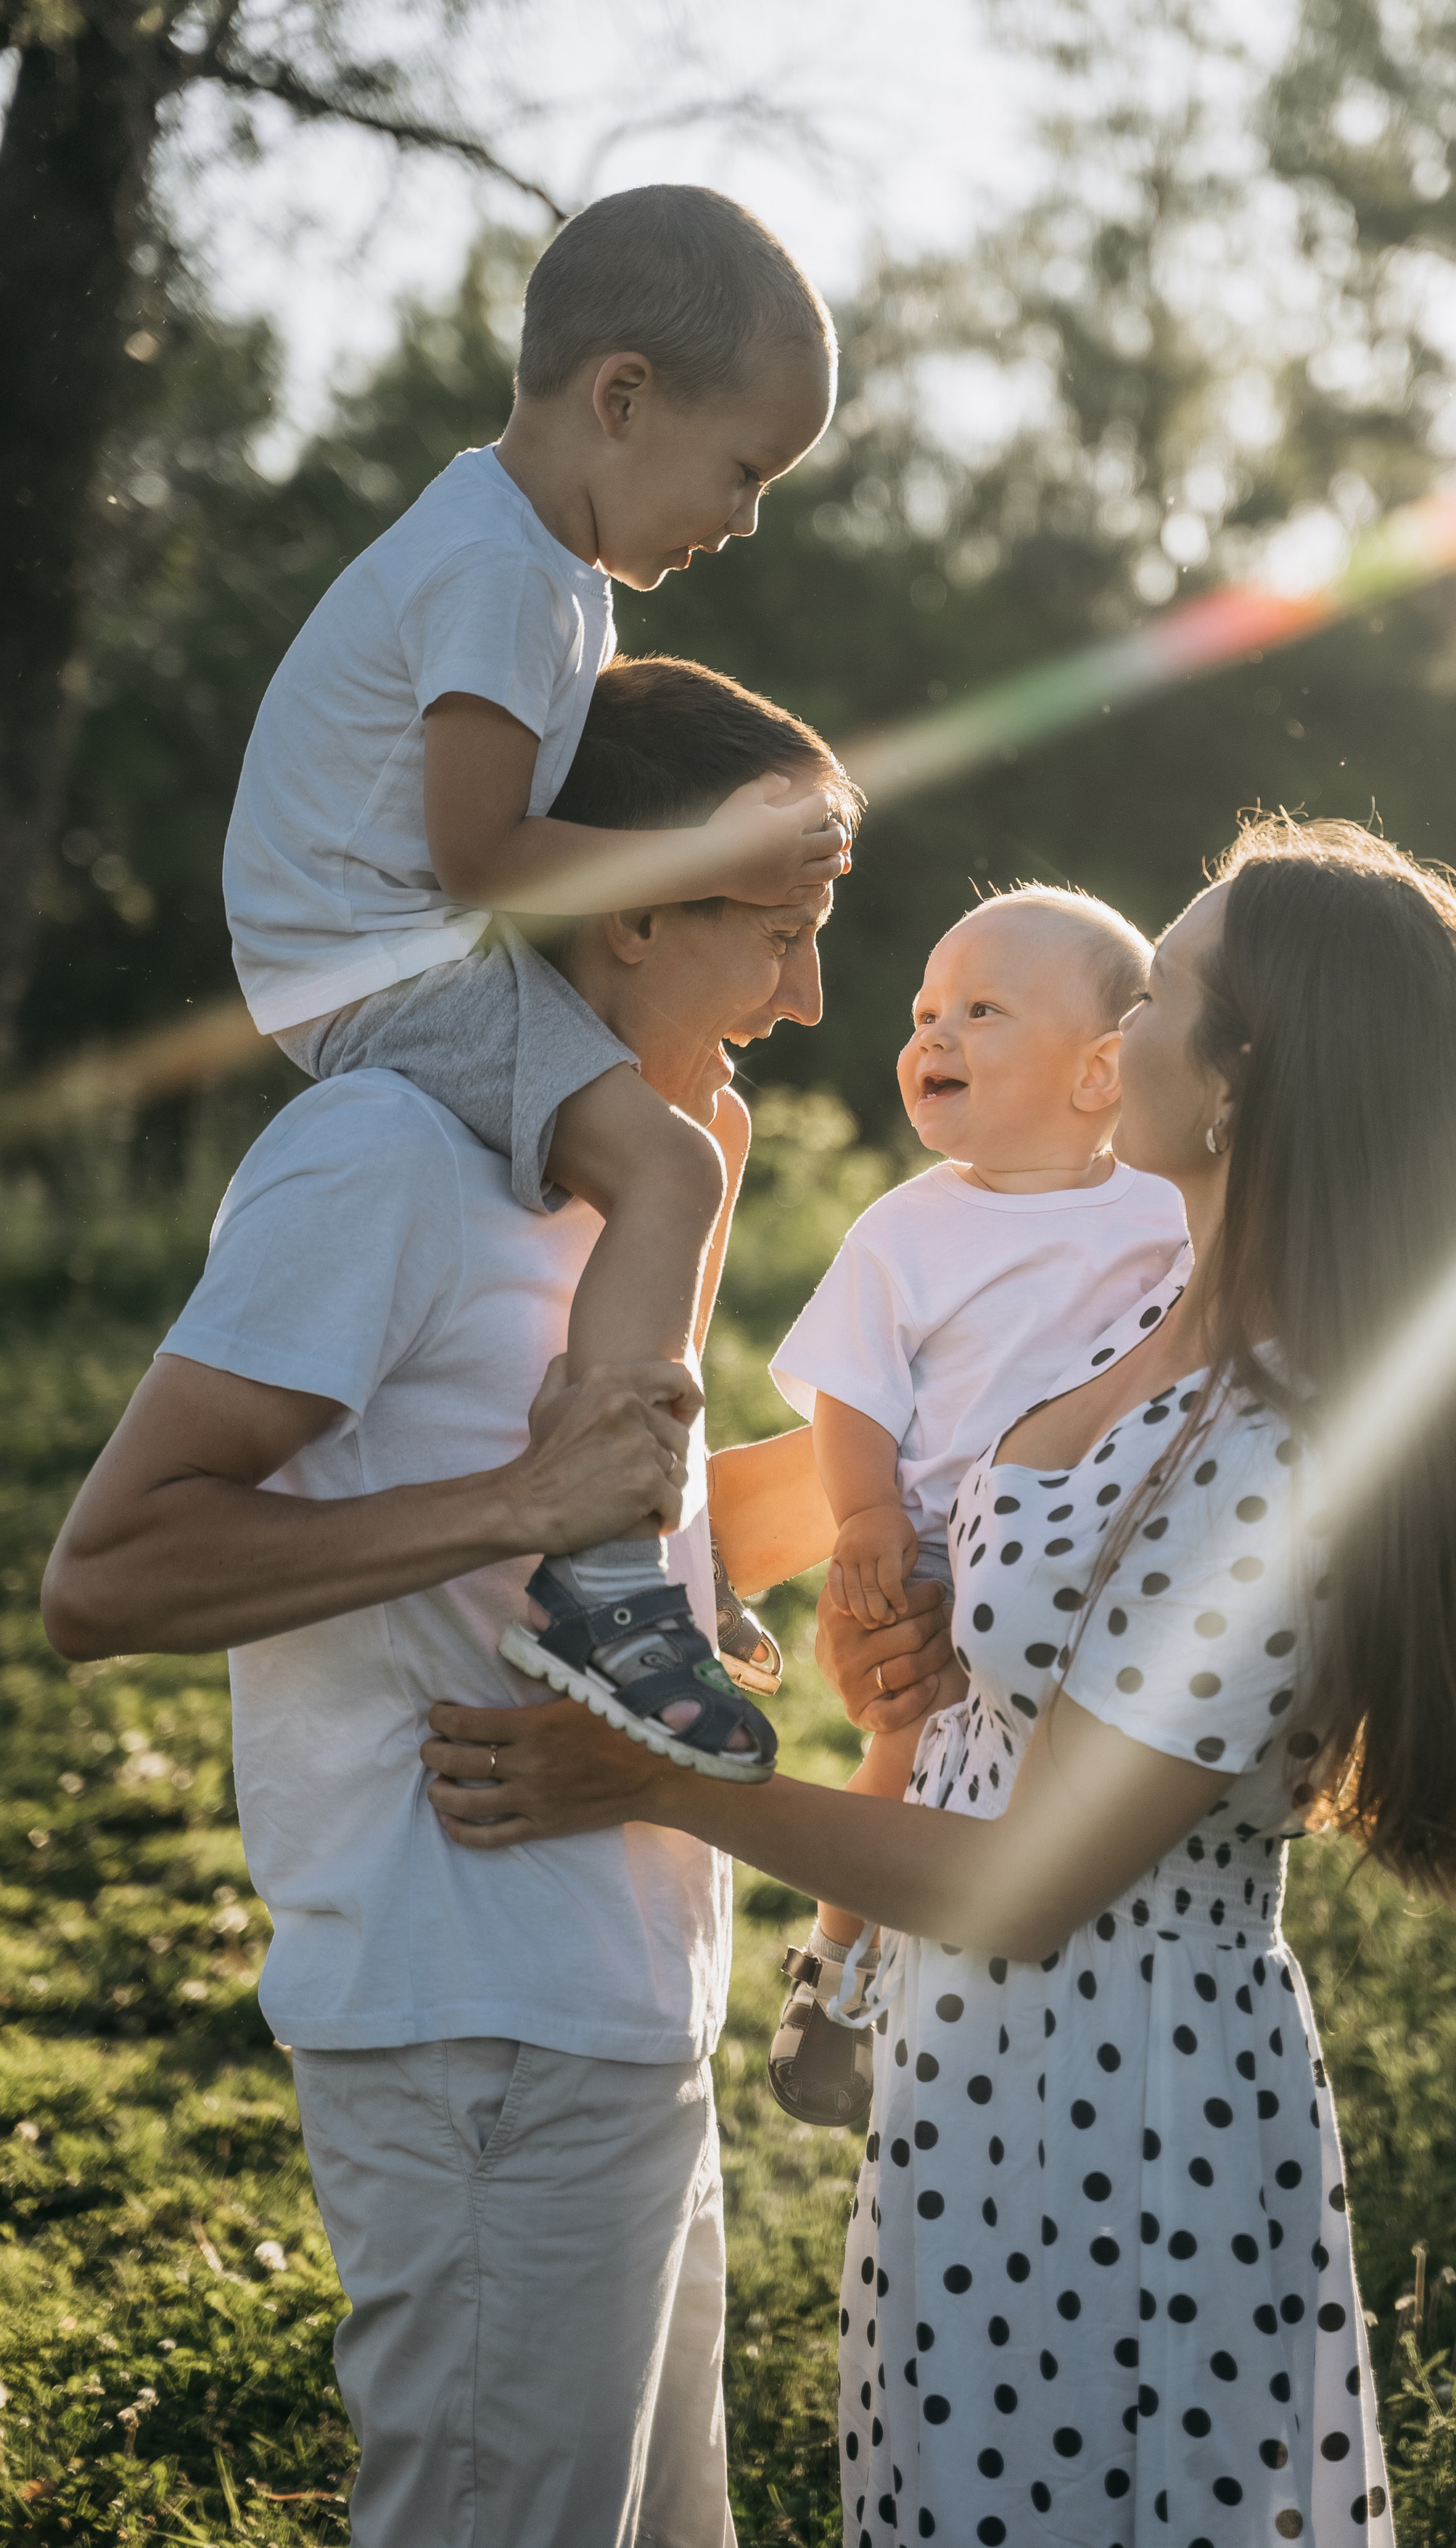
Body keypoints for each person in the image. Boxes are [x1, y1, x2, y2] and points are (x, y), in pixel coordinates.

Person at [424, 818, 1456, 2548]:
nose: (1118, 1033)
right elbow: (913, 1518)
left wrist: (656, 1783)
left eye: (1164, 990)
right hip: (982, 2074)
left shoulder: (1280, 1445)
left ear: (1246, 1078)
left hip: (1126, 2107)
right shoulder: (1155, 1310)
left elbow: (1033, 1884)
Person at [41, 665, 876, 2548]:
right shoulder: (383, 1157)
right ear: (639, 907)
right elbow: (110, 1571)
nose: (810, 999)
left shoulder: (620, 1192)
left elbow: (603, 1535)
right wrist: (520, 1502)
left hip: (623, 2001)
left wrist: (912, 1481)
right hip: (472, 2019)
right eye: (789, 936)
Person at [222, 185, 849, 1765]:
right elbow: (484, 858)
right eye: (744, 470)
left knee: (695, 1119)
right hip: (366, 965)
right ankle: (606, 1578)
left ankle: (659, 1545)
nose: (747, 516)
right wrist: (713, 862)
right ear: (621, 396)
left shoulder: (535, 565)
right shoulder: (503, 574)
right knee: (670, 1166)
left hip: (374, 950)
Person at [762, 887, 1187, 2124]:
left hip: (1099, 1549)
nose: (932, 1038)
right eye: (924, 1013)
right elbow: (853, 1394)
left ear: (1102, 1070)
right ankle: (836, 1967)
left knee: (1064, 1776)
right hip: (948, 1553)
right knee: (906, 1740)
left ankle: (1046, 1966)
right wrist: (864, 1523)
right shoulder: (908, 1229)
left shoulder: (1165, 1210)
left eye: (981, 1011)